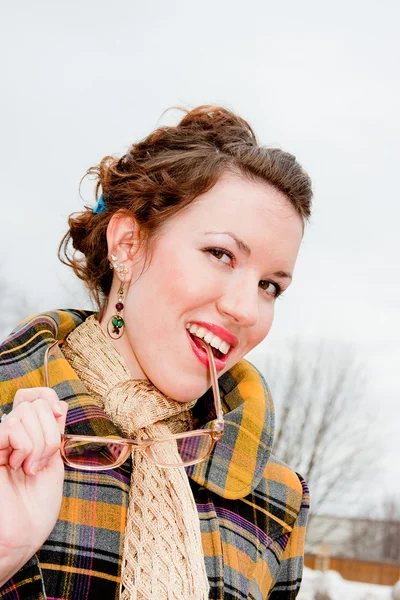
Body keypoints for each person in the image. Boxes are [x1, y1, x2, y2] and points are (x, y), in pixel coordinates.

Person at [0, 106, 311, 600]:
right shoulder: (6, 426)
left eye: (270, 285)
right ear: (127, 243)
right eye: (221, 254)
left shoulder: (276, 500)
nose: (245, 309)